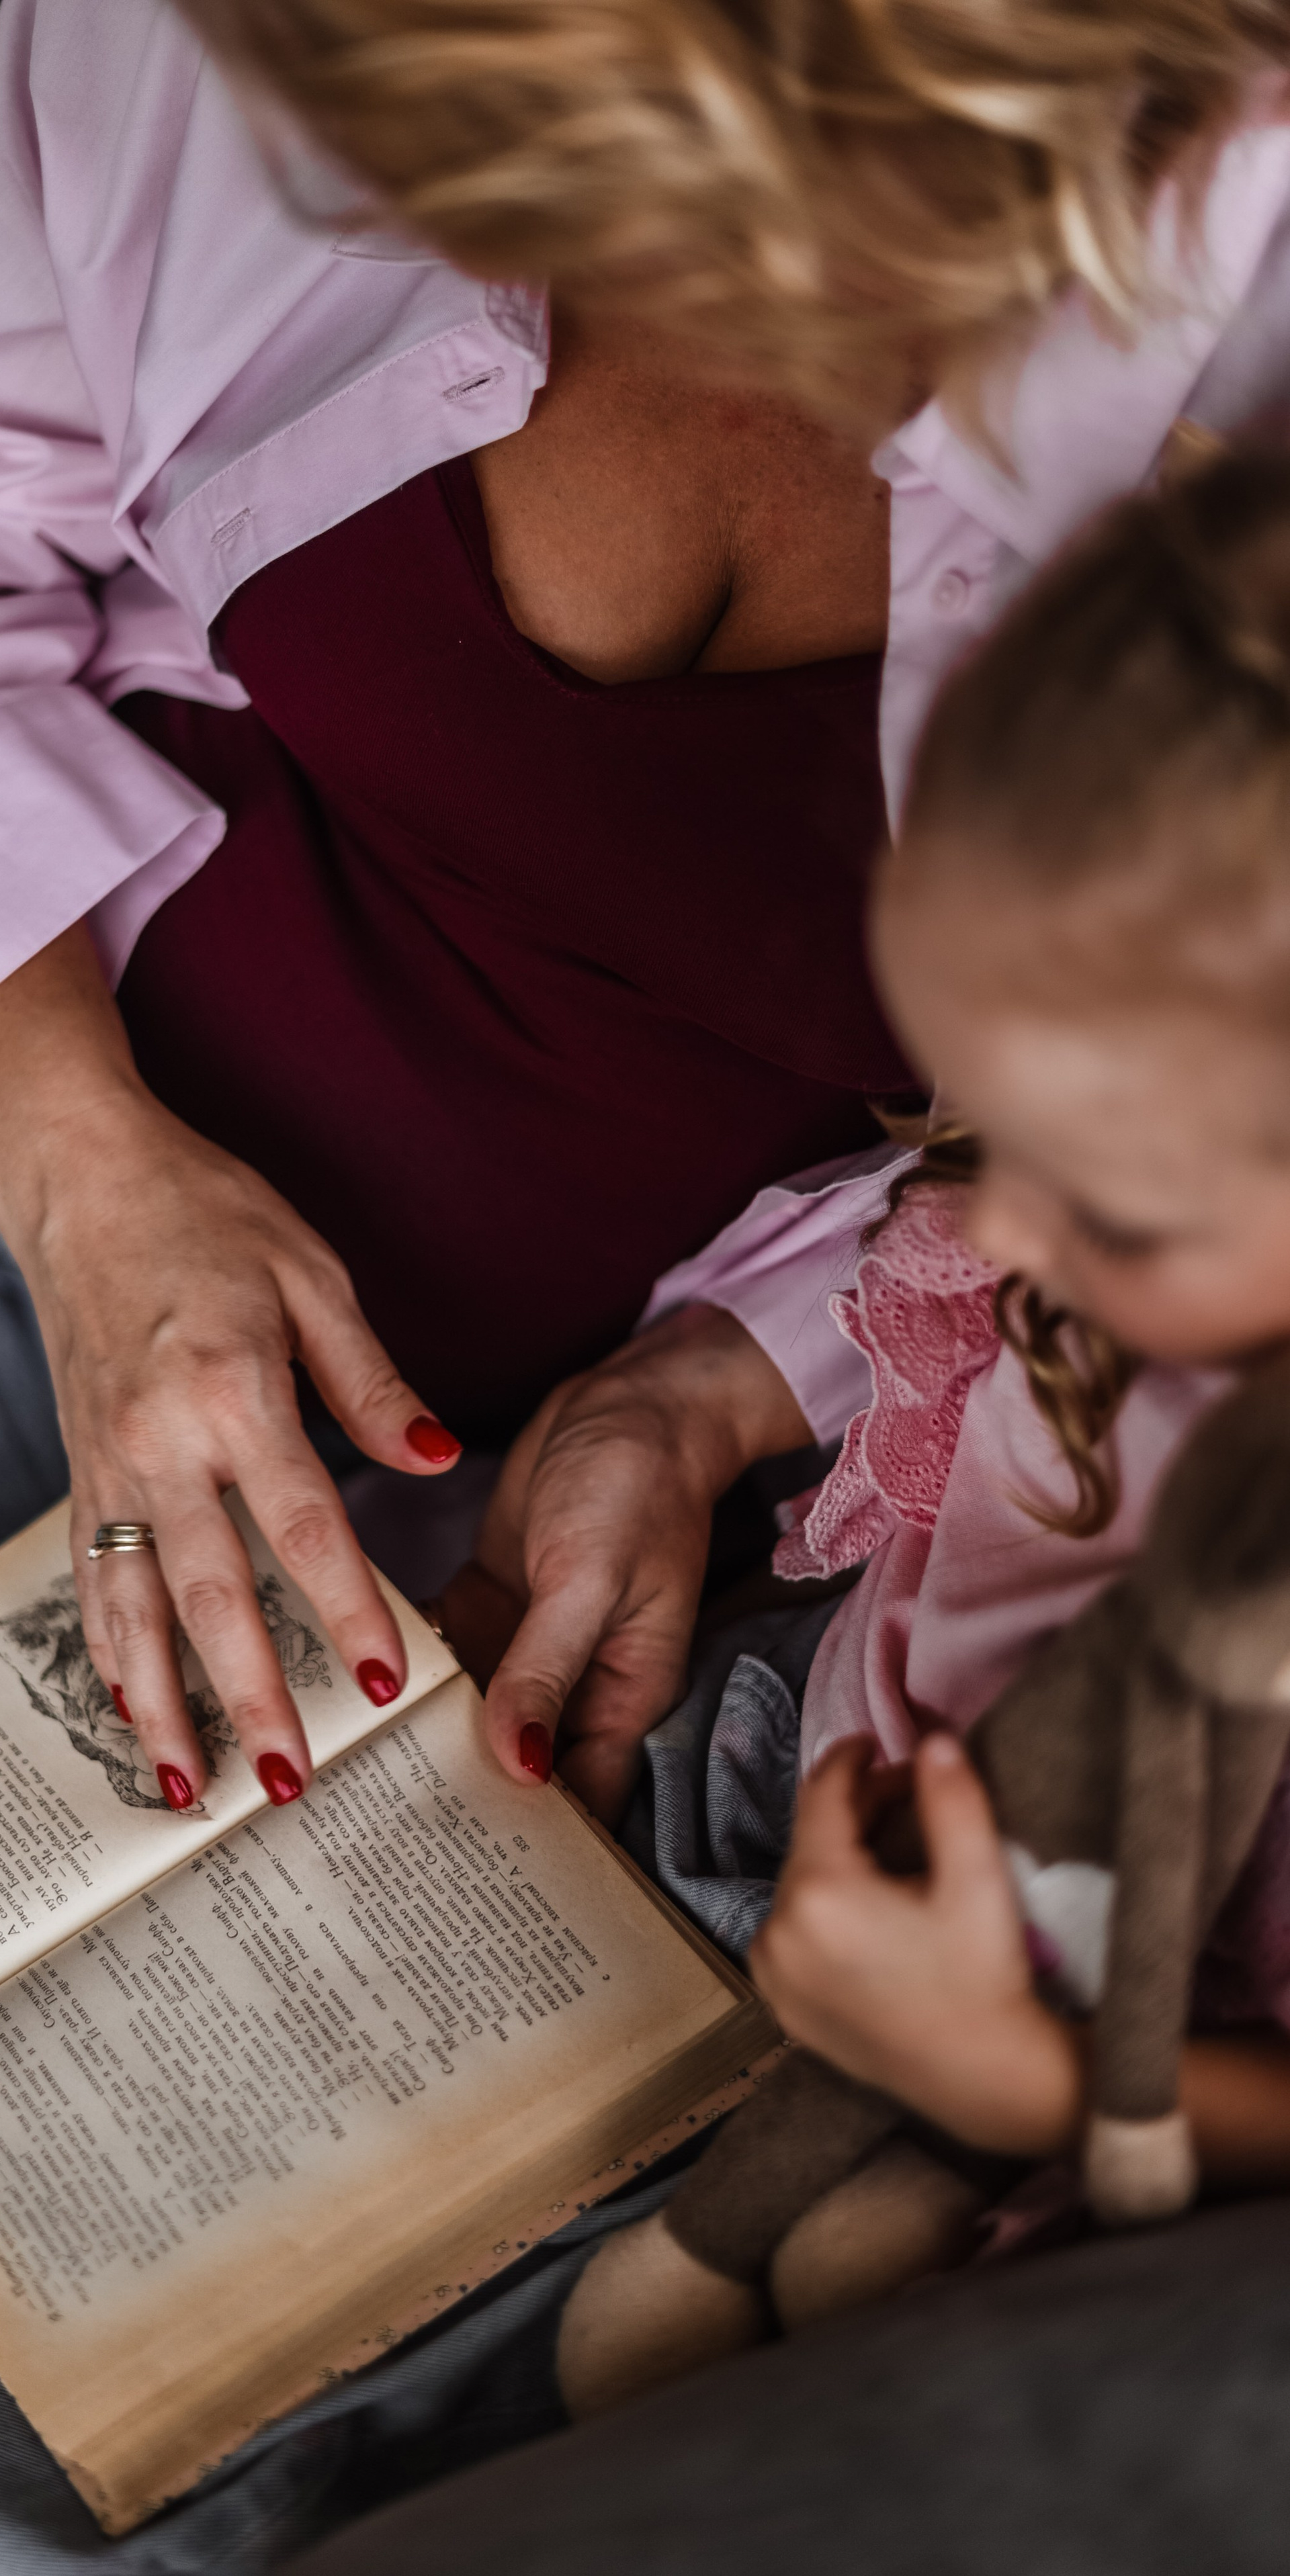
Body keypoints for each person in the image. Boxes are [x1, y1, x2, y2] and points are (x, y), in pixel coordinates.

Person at [0, 0, 1290, 1840]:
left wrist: (713, 1383)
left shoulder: (1222, 402)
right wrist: (78, 1169)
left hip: (255, 1390)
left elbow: (1183, 1147)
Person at [558, 447, 1290, 2412]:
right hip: (818, 1817)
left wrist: (1019, 2080)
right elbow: (937, 1557)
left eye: (1109, 1193)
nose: (1005, 1229)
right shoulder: (1091, 1215)